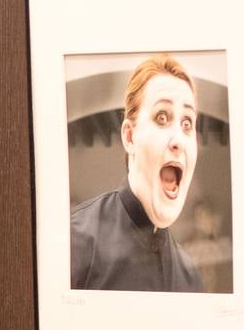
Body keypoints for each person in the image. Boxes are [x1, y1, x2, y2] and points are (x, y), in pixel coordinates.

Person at [70, 53, 204, 292]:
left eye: (187, 123)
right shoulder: (77, 241)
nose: (178, 140)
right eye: (162, 117)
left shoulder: (189, 276)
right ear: (130, 136)